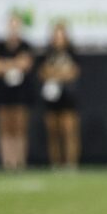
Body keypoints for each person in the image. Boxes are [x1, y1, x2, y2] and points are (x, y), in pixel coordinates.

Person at [0, 14, 34, 170]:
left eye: (17, 26)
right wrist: (14, 64)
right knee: (4, 129)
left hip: (21, 93)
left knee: (20, 128)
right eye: (11, 26)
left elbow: (26, 64)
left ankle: (20, 161)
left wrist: (5, 64)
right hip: (3, 93)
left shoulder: (25, 46)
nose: (14, 30)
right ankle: (8, 162)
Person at [39, 23, 81, 168]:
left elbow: (73, 72)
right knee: (53, 131)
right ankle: (56, 163)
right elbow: (43, 72)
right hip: (52, 96)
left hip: (68, 95)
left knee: (69, 130)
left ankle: (71, 162)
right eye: (56, 35)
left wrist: (55, 73)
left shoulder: (71, 52)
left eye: (61, 35)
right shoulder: (48, 53)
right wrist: (60, 73)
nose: (59, 39)